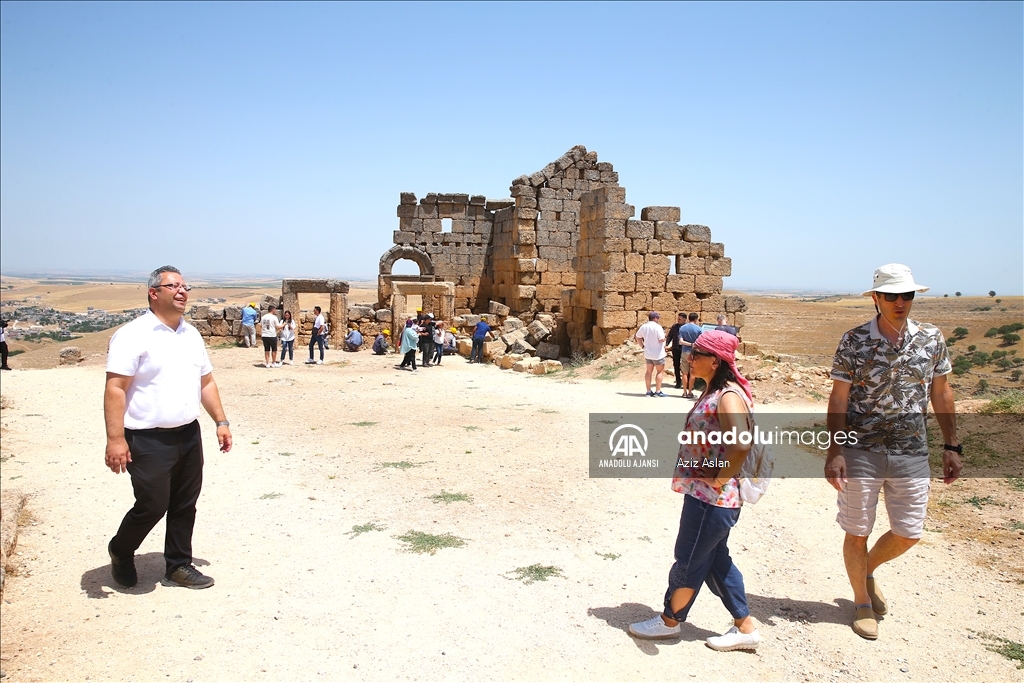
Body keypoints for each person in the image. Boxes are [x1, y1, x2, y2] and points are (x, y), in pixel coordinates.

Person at [825, 263, 960, 640]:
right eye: (891, 295)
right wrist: (834, 450)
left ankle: (866, 571)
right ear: (875, 298)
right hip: (860, 451)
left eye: (907, 295)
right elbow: (839, 398)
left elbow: (941, 392)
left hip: (912, 451)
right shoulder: (853, 341)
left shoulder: (932, 338)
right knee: (857, 530)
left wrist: (952, 444)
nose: (901, 302)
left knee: (909, 532)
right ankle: (861, 601)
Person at [629, 330, 761, 652]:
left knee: (688, 559)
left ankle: (669, 621)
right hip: (707, 497)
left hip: (713, 499)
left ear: (715, 361)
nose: (689, 358)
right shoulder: (712, 392)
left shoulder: (727, 396)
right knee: (715, 560)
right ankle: (745, 627)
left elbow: (741, 442)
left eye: (697, 354)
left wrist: (719, 476)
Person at [104, 265, 232, 590]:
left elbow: (206, 382)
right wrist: (115, 439)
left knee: (184, 503)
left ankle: (178, 565)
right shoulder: (132, 335)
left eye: (185, 286)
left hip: (188, 433)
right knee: (152, 504)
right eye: (173, 285)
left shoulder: (191, 335)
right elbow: (116, 388)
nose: (182, 291)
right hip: (146, 438)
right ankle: (120, 550)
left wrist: (221, 420)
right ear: (154, 293)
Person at [635, 311, 667, 397]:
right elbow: (661, 339)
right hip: (658, 354)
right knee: (660, 372)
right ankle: (658, 391)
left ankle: (648, 391)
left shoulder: (644, 326)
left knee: (649, 372)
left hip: (648, 353)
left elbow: (637, 337)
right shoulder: (658, 327)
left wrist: (642, 346)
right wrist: (665, 336)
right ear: (655, 318)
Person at [678, 313, 704, 399]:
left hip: (685, 351)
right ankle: (690, 392)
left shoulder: (682, 328)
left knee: (684, 373)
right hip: (694, 353)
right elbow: (700, 342)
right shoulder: (699, 329)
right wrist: (693, 344)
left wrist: (689, 344)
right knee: (693, 373)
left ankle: (684, 392)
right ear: (696, 319)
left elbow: (681, 341)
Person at [666, 313, 687, 390]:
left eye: (680, 319)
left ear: (685, 319)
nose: (678, 320)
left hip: (684, 348)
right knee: (676, 364)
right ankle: (678, 381)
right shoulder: (674, 326)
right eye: (678, 319)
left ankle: (687, 382)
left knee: (686, 365)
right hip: (675, 348)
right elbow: (670, 335)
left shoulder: (686, 327)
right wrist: (667, 343)